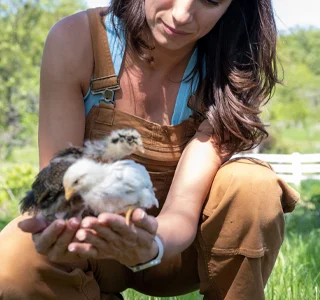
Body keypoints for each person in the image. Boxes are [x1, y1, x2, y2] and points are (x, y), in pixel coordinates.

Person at [0, 0, 299, 299]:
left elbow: (182, 209)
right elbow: (56, 182)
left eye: (209, 1)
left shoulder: (233, 72)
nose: (182, 15)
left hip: (177, 249)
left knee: (252, 185)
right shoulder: (76, 39)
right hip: (88, 246)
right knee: (13, 256)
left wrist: (150, 243)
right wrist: (59, 229)